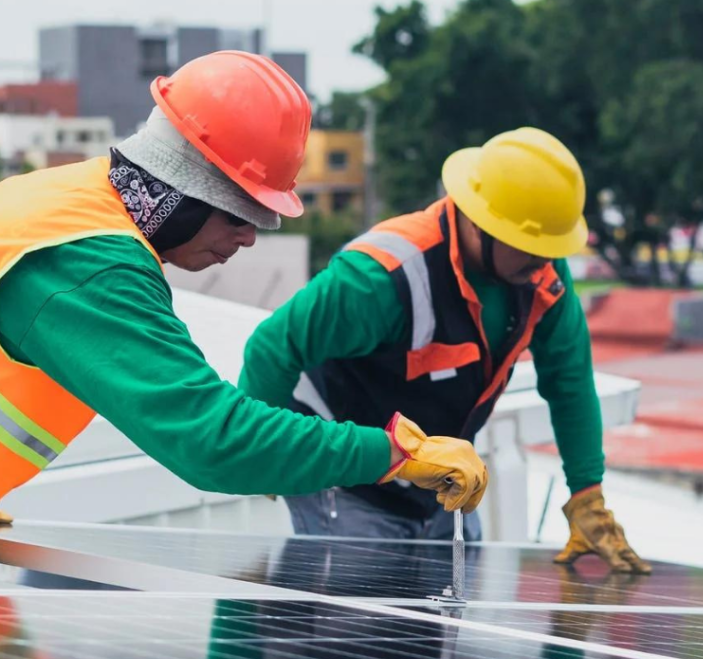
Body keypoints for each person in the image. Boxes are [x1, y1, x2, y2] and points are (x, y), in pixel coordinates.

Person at [0, 51, 487, 586]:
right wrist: (392, 452)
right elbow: (210, 443)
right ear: (190, 185)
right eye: (244, 213)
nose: (250, 237)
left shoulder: (70, 197)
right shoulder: (90, 266)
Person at [239, 127, 650, 575]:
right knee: (361, 624)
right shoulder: (382, 275)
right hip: (349, 483)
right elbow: (272, 347)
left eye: (551, 250)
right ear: (479, 223)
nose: (545, 263)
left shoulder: (541, 279)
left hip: (443, 482)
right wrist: (266, 456)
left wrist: (587, 494)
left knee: (441, 625)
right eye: (532, 248)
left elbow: (569, 383)